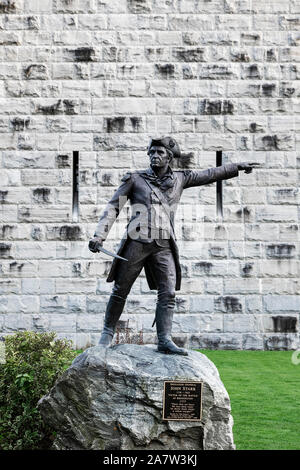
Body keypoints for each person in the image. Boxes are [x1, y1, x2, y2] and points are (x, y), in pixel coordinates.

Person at [89, 136, 259, 355]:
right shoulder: (135, 179)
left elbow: (209, 174)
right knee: (121, 290)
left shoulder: (181, 178)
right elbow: (113, 207)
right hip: (137, 242)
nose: (155, 156)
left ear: (169, 157)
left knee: (168, 293)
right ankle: (107, 333)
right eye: (152, 153)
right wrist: (99, 236)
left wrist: (235, 167)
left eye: (160, 153)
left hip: (163, 245)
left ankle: (164, 340)